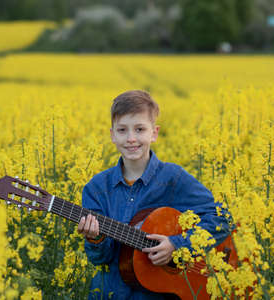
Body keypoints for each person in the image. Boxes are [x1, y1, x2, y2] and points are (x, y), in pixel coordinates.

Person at [77, 90, 230, 299]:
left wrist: (177, 245)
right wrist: (95, 240)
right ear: (112, 135)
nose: (131, 139)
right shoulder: (96, 188)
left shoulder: (173, 179)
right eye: (122, 130)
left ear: (154, 133)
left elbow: (222, 218)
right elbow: (100, 259)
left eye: (139, 129)